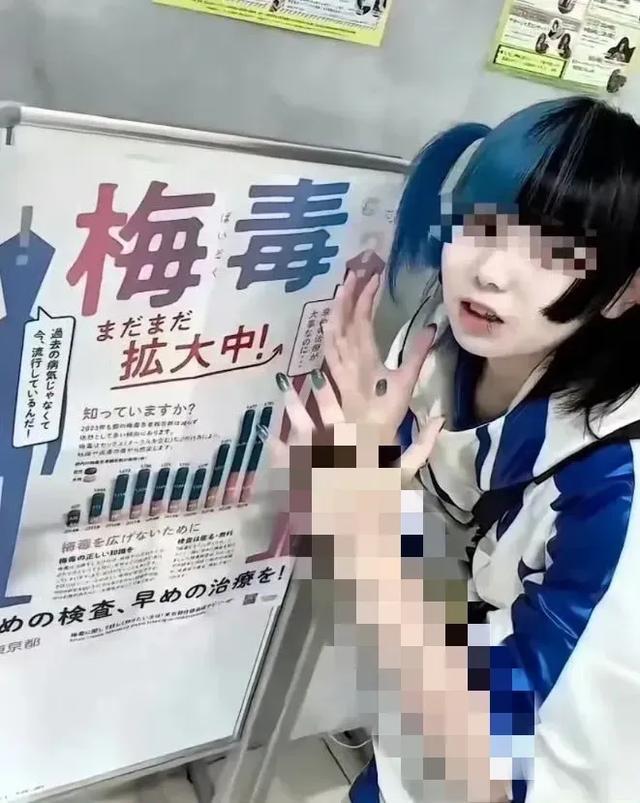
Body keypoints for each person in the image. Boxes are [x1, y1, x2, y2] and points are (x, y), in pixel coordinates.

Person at [269, 97, 640, 802]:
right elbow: (434, 590)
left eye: (553, 251)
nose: (490, 271)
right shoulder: (444, 347)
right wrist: (348, 467)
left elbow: (497, 777)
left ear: (625, 292)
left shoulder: (617, 500)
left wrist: (363, 537)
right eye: (482, 224)